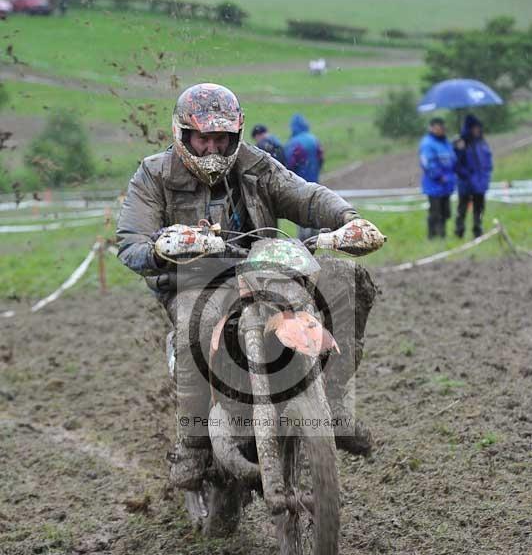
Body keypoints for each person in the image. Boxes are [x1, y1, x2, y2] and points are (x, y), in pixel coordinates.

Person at [116, 83, 377, 490]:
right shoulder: (154, 174)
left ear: (236, 135)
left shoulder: (255, 164)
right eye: (203, 138)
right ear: (183, 135)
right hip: (192, 279)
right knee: (193, 325)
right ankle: (194, 443)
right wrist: (161, 246)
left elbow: (304, 195)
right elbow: (130, 240)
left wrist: (348, 218)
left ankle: (335, 405)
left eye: (222, 139)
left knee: (348, 280)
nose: (213, 149)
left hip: (262, 269)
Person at [453, 114, 493, 238]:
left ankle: (478, 229)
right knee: (462, 209)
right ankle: (459, 231)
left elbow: (487, 161)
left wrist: (486, 175)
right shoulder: (460, 143)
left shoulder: (482, 143)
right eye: (474, 128)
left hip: (480, 182)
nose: (477, 130)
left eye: (478, 127)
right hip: (466, 182)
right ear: (469, 129)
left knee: (479, 208)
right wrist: (459, 149)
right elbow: (456, 164)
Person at [285, 114, 324, 239]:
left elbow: (290, 164)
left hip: (300, 184)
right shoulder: (314, 139)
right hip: (315, 182)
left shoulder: (294, 143)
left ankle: (304, 241)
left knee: (302, 213)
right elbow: (321, 158)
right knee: (314, 210)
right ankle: (315, 236)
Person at [419, 117, 457, 239]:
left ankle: (442, 235)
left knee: (446, 212)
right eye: (438, 127)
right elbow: (427, 162)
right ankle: (433, 236)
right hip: (434, 184)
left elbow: (452, 160)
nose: (441, 130)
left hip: (447, 184)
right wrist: (438, 175)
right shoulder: (427, 143)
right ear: (432, 128)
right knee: (435, 212)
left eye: (442, 127)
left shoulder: (446, 142)